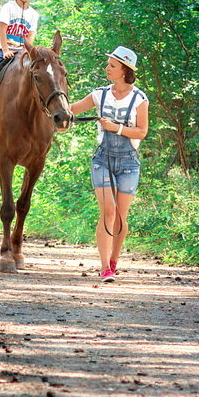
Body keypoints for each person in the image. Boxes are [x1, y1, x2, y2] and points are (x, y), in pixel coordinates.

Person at [67, 46, 149, 282]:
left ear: (125, 70)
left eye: (112, 65)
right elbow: (70, 110)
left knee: (121, 216)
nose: (107, 68)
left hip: (129, 163)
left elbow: (142, 131)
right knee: (108, 211)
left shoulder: (139, 99)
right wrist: (49, 105)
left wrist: (117, 128)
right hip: (102, 159)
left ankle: (114, 260)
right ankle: (104, 268)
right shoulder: (99, 94)